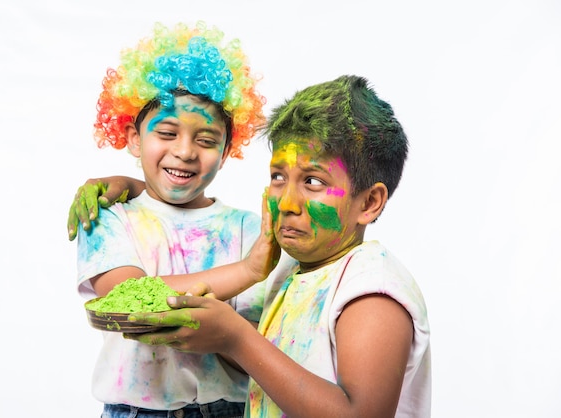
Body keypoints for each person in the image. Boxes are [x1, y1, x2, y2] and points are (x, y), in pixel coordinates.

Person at [121, 75, 433, 417]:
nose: (286, 203)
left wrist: (236, 338)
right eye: (279, 177)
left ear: (369, 202)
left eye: (313, 182)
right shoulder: (290, 271)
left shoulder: (373, 291)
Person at [75, 21, 278, 418]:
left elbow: (258, 350)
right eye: (166, 132)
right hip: (136, 412)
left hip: (230, 409)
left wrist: (232, 335)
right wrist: (249, 269)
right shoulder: (107, 219)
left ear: (225, 152)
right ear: (134, 138)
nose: (185, 152)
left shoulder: (250, 230)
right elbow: (128, 298)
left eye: (205, 140)